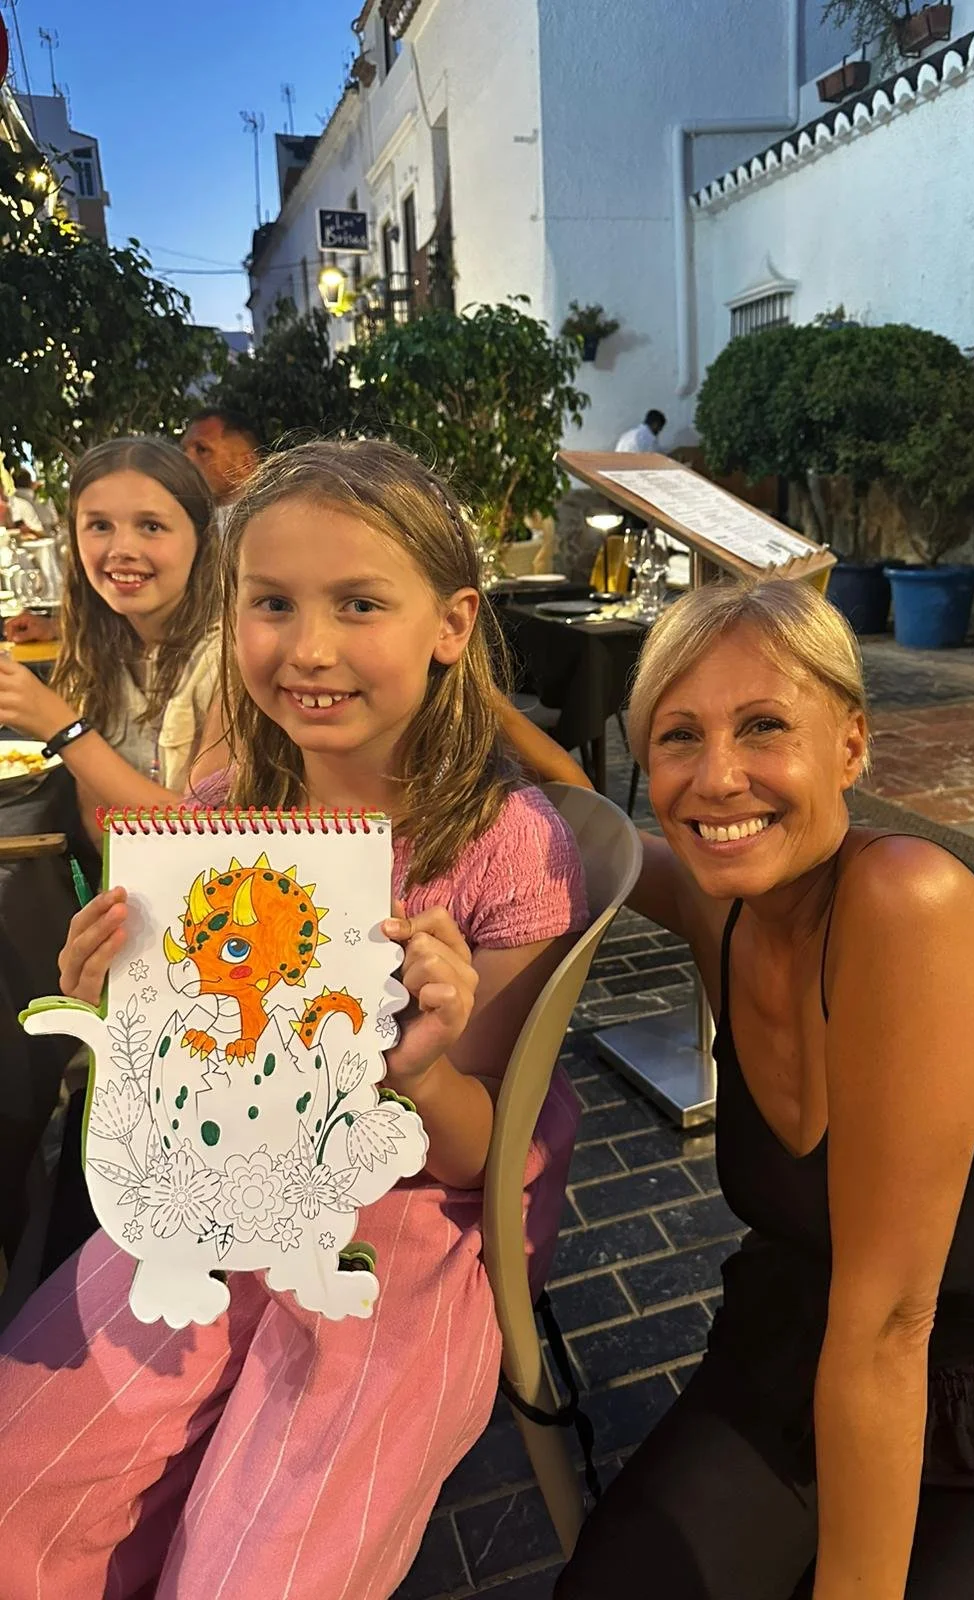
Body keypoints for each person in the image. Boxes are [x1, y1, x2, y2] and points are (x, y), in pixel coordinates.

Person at [0, 439, 590, 1599]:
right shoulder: (219, 814)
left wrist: (420, 1068)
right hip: (218, 1187)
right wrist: (117, 998)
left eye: (358, 603)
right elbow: (184, 1069)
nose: (308, 647)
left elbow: (482, 1153)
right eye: (272, 603)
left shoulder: (510, 849)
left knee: (260, 1564)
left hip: (409, 1220)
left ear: (451, 623)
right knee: (29, 1477)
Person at [517, 577, 974, 1600]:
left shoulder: (909, 904)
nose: (716, 778)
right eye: (679, 737)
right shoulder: (722, 907)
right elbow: (584, 818)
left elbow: (889, 1330)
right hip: (799, 1359)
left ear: (852, 746)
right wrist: (443, 689)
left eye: (764, 725)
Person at [0, 438, 226, 827]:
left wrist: (61, 727)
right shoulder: (100, 640)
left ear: (201, 537)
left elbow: (203, 830)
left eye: (151, 526)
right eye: (100, 526)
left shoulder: (232, 661)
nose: (122, 548)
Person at [182, 405, 263, 527]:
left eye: (202, 449)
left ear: (246, 464)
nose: (186, 458)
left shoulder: (274, 524)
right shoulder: (182, 520)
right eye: (183, 450)